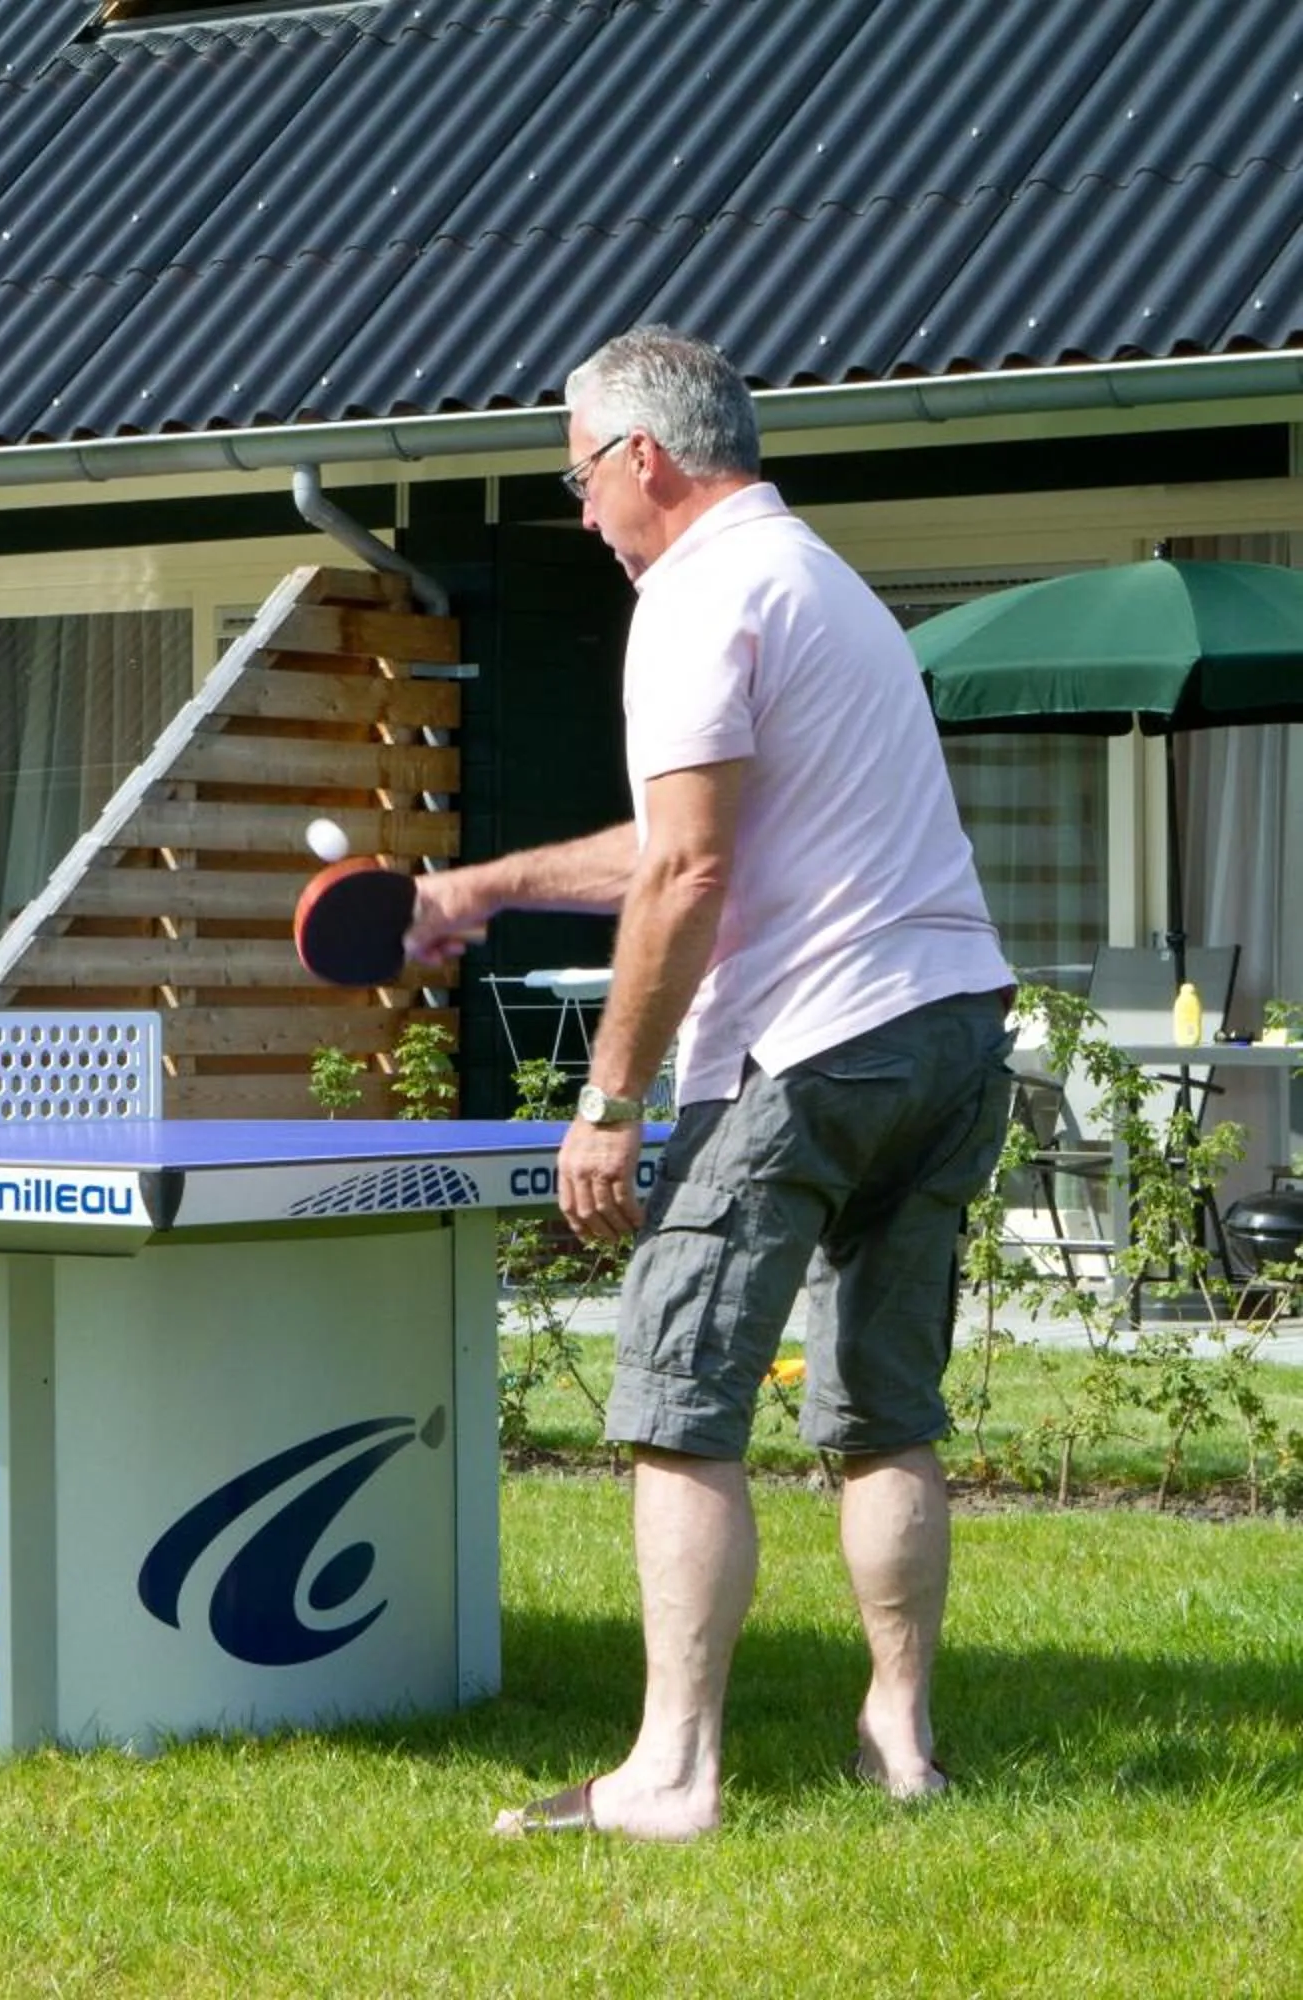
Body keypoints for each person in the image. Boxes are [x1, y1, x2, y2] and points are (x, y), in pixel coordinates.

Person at [403, 326, 1017, 1841]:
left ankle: (670, 1775)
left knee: (679, 1405)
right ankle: (903, 1743)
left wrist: (609, 1103)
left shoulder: (690, 597)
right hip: (949, 1027)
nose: (582, 513)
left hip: (812, 1042)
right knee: (886, 1411)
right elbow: (688, 830)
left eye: (577, 477)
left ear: (643, 460)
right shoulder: (819, 581)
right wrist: (485, 884)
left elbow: (690, 865)